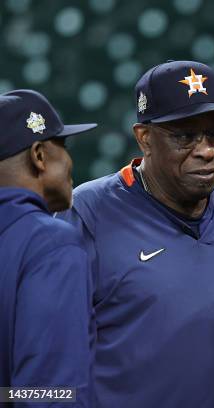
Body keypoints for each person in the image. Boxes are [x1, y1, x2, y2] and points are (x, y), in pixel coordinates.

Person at [57, 60, 214, 407]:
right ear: (144, 138)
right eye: (185, 136)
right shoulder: (86, 214)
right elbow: (49, 357)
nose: (207, 150)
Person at [0, 89, 97, 406]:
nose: (69, 159)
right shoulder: (48, 242)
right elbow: (49, 393)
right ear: (39, 155)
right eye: (63, 146)